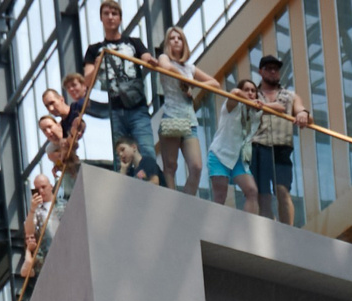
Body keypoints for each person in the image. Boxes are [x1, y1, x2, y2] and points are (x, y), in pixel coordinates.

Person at [84, 0, 158, 165]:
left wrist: (152, 60)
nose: (110, 17)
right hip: (115, 109)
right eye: (106, 14)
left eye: (114, 14)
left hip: (137, 106)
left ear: (120, 18)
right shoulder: (94, 49)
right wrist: (96, 64)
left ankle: (151, 186)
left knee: (146, 151)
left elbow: (146, 57)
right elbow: (87, 81)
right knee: (122, 158)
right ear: (101, 18)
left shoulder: (133, 43)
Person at [247, 57, 309, 225]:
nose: (273, 71)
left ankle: (287, 230)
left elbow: (301, 109)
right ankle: (269, 229)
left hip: (281, 147)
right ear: (261, 71)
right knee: (263, 193)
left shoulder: (289, 96)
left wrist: (303, 114)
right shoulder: (253, 93)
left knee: (282, 190)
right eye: (269, 68)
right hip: (258, 146)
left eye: (276, 69)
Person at [148, 27, 208, 193]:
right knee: (171, 166)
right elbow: (167, 67)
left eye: (179, 38)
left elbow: (214, 83)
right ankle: (171, 202)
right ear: (167, 43)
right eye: (172, 38)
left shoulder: (190, 67)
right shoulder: (164, 58)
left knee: (196, 167)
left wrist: (193, 84)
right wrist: (185, 79)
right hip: (171, 116)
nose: (175, 40)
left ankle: (185, 202)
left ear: (184, 43)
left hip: (190, 121)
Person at [205, 75, 254, 210]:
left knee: (251, 191)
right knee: (220, 197)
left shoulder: (254, 112)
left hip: (237, 159)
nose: (250, 93)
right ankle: (214, 229)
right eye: (246, 90)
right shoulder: (232, 105)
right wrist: (247, 99)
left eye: (253, 91)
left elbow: (278, 107)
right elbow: (234, 93)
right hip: (219, 156)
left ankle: (248, 227)